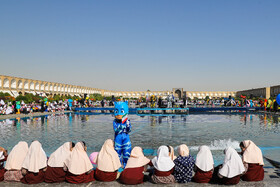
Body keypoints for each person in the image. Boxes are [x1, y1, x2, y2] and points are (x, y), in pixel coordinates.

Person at [113, 101, 131, 168]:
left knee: (127, 151)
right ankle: (119, 165)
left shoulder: (127, 121)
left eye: (122, 111)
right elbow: (116, 130)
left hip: (126, 138)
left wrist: (128, 126)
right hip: (118, 138)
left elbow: (129, 130)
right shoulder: (115, 121)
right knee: (118, 152)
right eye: (117, 112)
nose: (119, 114)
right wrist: (120, 128)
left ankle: (126, 165)